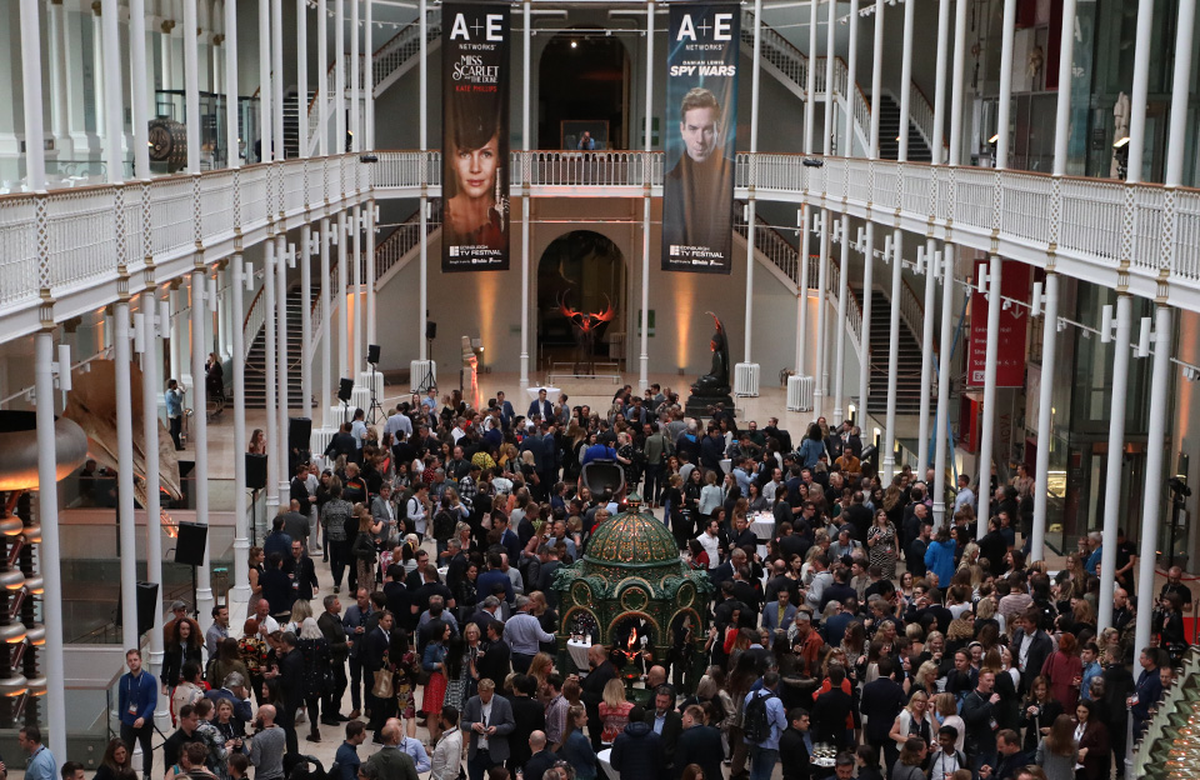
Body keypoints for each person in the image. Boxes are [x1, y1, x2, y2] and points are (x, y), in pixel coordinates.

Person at [662, 87, 735, 259]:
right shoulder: (670, 181)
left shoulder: (732, 174)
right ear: (682, 130)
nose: (700, 140)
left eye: (707, 130)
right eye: (693, 129)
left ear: (718, 130)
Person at [444, 92, 506, 254]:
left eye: (486, 154)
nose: (475, 168)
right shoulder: (443, 215)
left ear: (498, 160)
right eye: (465, 154)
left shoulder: (502, 217)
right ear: (452, 160)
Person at [462, 678, 516, 780]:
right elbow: (463, 723)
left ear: (493, 691)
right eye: (483, 695)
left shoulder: (503, 703)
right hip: (476, 752)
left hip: (495, 753)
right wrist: (473, 726)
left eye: (488, 695)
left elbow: (511, 724)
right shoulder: (472, 702)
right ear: (478, 691)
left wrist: (497, 729)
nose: (486, 698)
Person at [118, 648, 157, 779]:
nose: (133, 663)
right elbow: (121, 700)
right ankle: (125, 775)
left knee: (147, 749)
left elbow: (152, 702)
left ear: (140, 660)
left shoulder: (150, 679)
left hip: (144, 722)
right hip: (128, 722)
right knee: (125, 751)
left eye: (135, 660)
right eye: (130, 661)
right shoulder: (124, 680)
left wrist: (143, 717)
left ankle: (147, 775)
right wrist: (121, 718)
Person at [743, 671, 789, 780]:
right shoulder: (776, 702)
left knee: (754, 769)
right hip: (770, 741)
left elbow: (745, 713)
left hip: (752, 737)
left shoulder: (750, 695)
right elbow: (783, 725)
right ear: (776, 684)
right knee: (765, 773)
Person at [610, 705, 664, 780]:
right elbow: (661, 762)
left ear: (629, 718)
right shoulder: (655, 738)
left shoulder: (621, 739)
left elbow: (615, 764)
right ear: (644, 718)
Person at [675, 704, 724, 780]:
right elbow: (721, 756)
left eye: (684, 716)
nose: (682, 719)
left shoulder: (685, 737)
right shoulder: (715, 732)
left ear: (690, 719)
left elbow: (680, 765)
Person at [560, 705, 599, 780]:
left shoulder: (566, 734)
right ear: (576, 719)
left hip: (573, 773)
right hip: (585, 775)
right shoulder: (581, 739)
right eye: (584, 717)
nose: (587, 718)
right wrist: (589, 745)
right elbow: (591, 758)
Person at [248, 704, 287, 780]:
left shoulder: (258, 738)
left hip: (263, 777)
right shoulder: (282, 732)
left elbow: (256, 762)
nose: (256, 716)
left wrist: (251, 752)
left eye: (258, 714)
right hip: (279, 775)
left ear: (264, 717)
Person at [1034, 714, 1077, 780]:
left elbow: (1038, 760)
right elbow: (1073, 762)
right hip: (1066, 776)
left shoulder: (1044, 741)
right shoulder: (1074, 744)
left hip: (1047, 776)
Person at [430, 706, 463, 780]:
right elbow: (444, 753)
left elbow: (451, 769)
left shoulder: (452, 741)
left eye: (439, 717)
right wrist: (432, 753)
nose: (438, 720)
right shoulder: (451, 734)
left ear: (445, 720)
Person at [778, 708, 811, 780]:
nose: (808, 723)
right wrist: (819, 766)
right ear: (795, 722)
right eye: (805, 721)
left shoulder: (785, 735)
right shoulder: (797, 741)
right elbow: (802, 767)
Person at [166, 379, 185, 450]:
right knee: (175, 430)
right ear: (172, 385)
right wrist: (180, 393)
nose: (176, 386)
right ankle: (176, 446)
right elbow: (178, 401)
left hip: (175, 413)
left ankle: (169, 440)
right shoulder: (170, 394)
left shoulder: (171, 393)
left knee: (175, 430)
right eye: (175, 384)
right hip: (174, 414)